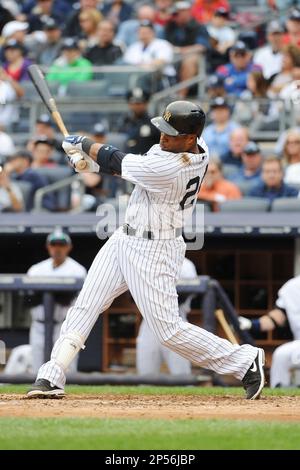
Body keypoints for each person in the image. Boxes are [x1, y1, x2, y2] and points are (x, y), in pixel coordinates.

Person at [27, 100, 265, 400]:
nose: (163, 138)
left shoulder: (172, 167)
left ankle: (244, 360)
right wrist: (88, 163)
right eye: (163, 130)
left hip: (155, 248)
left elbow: (119, 161)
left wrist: (84, 145)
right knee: (86, 305)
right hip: (124, 237)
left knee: (169, 331)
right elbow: (124, 167)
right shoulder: (191, 144)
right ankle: (52, 375)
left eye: (171, 133)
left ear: (190, 138)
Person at [26, 230, 86, 374]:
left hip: (63, 326)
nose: (57, 248)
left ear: (68, 247)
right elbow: (28, 299)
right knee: (37, 368)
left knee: (66, 369)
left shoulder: (77, 270)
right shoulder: (36, 270)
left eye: (61, 244)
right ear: (48, 246)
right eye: (54, 244)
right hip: (39, 325)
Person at [136, 257, 197, 376]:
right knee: (145, 376)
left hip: (176, 321)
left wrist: (156, 292)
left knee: (181, 376)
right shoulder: (145, 261)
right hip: (149, 324)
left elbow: (184, 295)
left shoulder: (185, 265)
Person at [239, 275, 300, 388]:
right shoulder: (292, 287)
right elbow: (277, 317)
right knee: (281, 355)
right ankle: (280, 396)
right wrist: (252, 324)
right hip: (298, 344)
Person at [117, 87, 160, 155]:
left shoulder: (154, 123)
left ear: (146, 104)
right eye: (134, 103)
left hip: (147, 161)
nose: (137, 106)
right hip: (126, 160)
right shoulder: (124, 122)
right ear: (129, 104)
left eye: (140, 103)